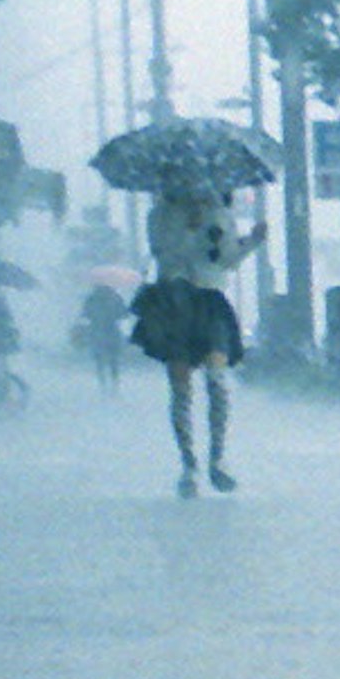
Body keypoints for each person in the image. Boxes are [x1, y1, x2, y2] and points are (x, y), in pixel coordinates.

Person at [129, 190, 257, 495]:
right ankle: (189, 465)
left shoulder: (221, 213)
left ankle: (218, 458)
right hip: (173, 301)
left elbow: (226, 259)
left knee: (217, 379)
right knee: (181, 387)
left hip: (210, 300)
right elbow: (165, 253)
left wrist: (252, 242)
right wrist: (189, 226)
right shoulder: (160, 214)